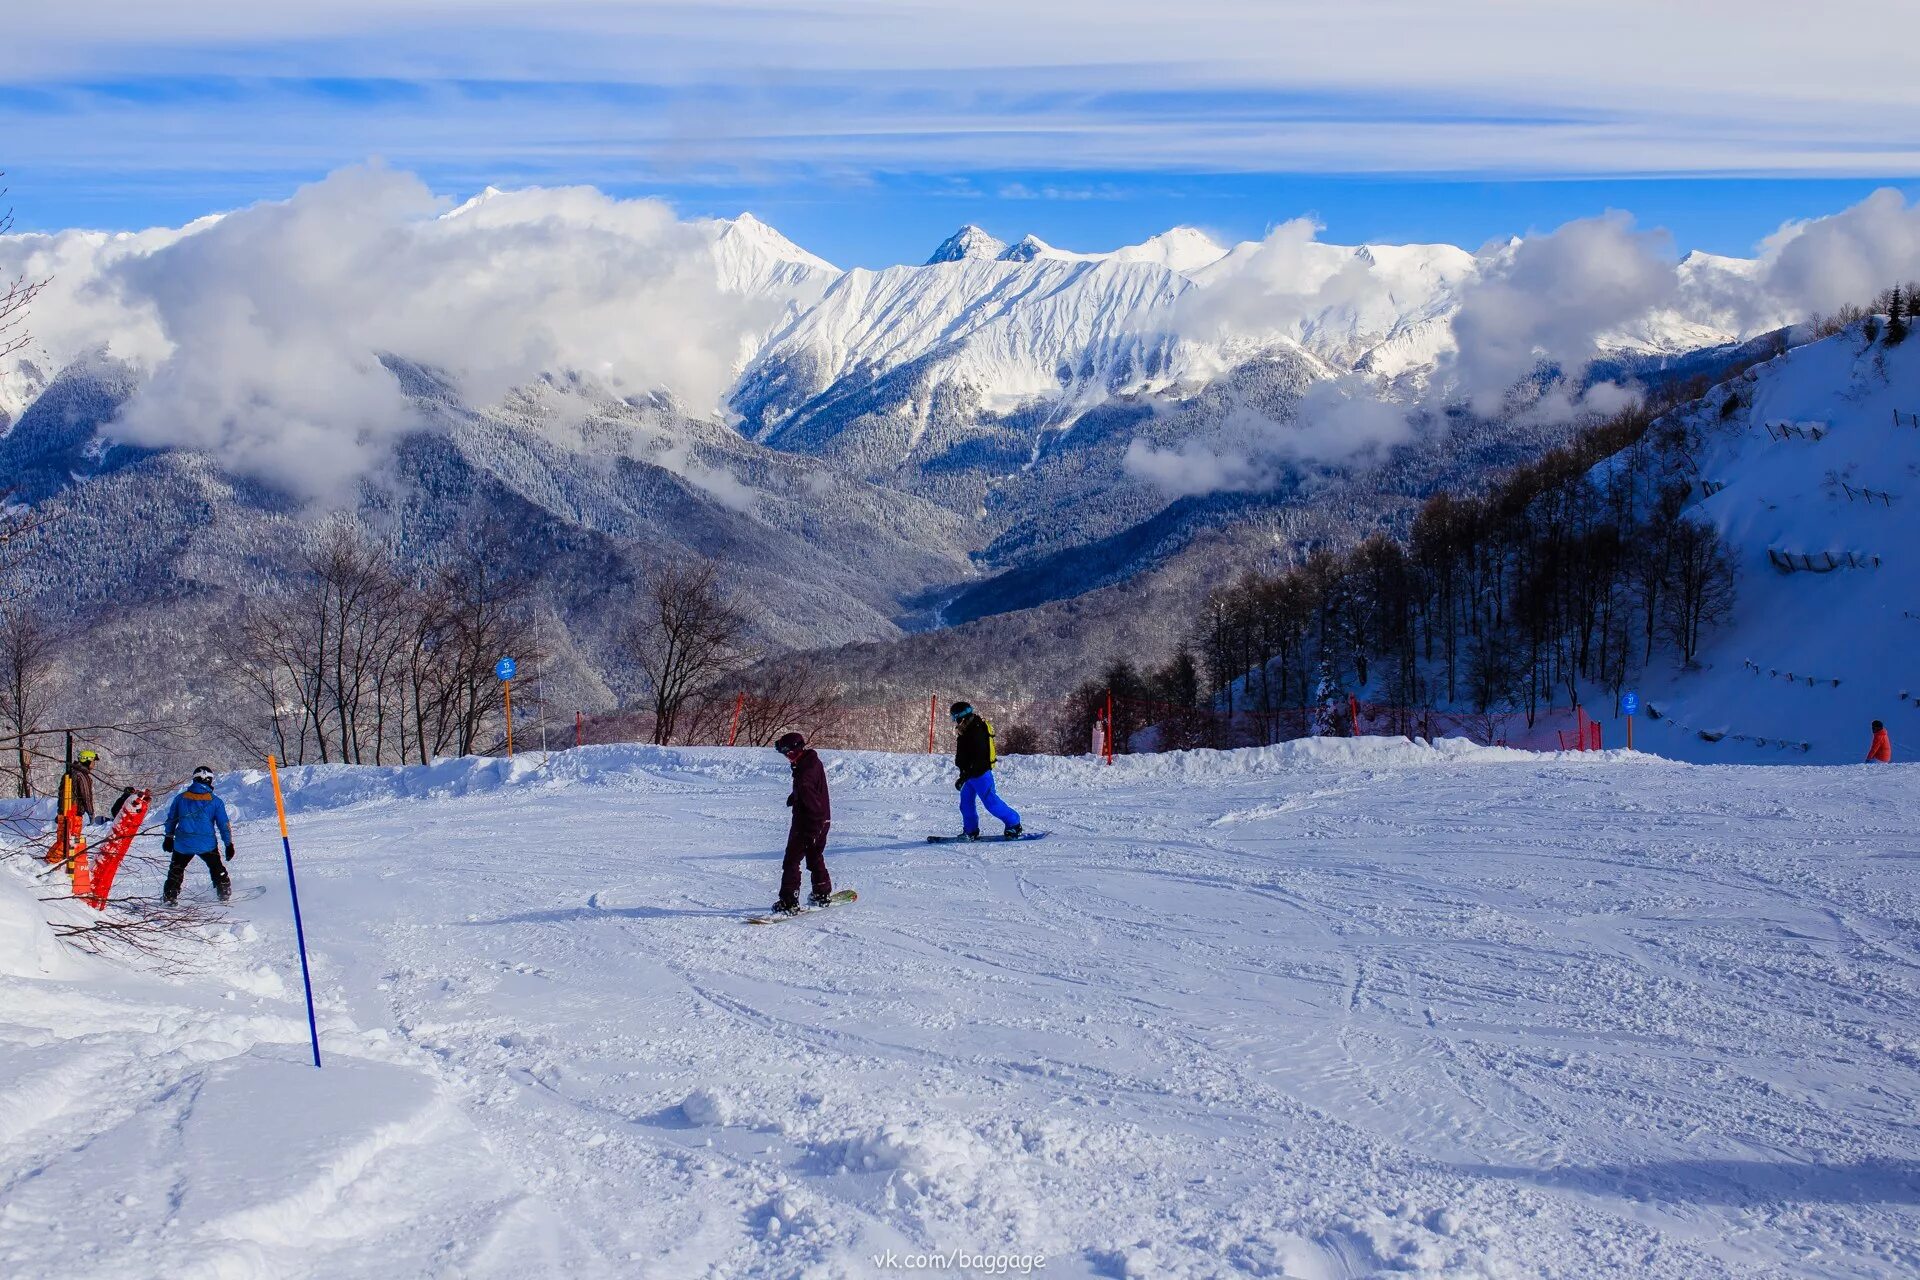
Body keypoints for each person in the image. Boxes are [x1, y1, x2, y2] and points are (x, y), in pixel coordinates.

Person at [772, 731, 832, 915]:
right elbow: (813, 790)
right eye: (785, 754)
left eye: (789, 753)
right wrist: (796, 796)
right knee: (814, 855)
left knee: (792, 859)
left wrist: (812, 829)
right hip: (823, 820)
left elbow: (811, 799)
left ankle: (789, 901)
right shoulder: (810, 762)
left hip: (808, 822)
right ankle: (822, 892)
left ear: (798, 749)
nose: (788, 757)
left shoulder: (804, 774)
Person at [950, 701, 1022, 840]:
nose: (954, 721)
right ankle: (970, 831)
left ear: (962, 717)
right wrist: (963, 773)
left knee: (991, 803)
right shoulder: (966, 729)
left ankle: (1014, 823)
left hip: (981, 774)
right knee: (965, 804)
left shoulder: (977, 730)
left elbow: (979, 758)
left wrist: (964, 776)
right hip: (969, 775)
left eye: (955, 717)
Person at [163, 765, 234, 904]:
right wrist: (228, 844)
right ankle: (224, 892)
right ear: (210, 781)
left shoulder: (180, 798)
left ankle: (170, 897)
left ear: (194, 780)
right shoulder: (215, 801)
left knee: (176, 870)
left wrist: (168, 837)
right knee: (216, 867)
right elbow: (223, 825)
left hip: (183, 843)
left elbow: (171, 819)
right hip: (206, 844)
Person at [62, 749, 100, 825]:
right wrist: (91, 812)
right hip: (75, 812)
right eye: (93, 761)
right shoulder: (82, 776)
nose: (94, 764)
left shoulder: (71, 772)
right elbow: (86, 796)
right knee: (74, 835)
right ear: (86, 761)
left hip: (65, 812)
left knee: (65, 834)